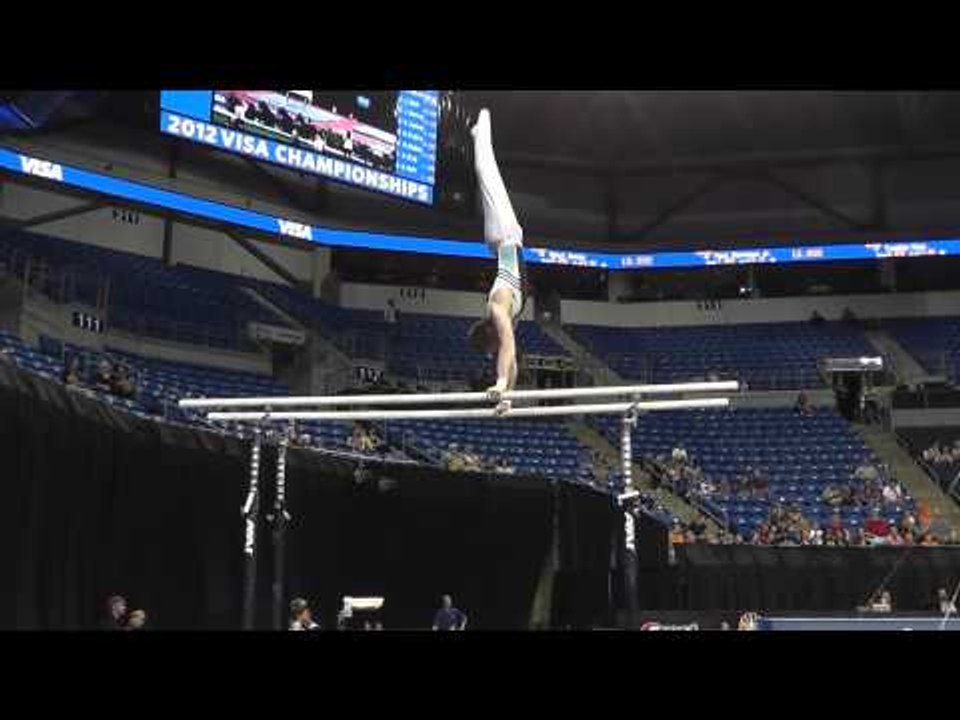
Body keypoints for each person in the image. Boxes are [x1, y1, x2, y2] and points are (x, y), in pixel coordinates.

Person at [466, 109, 526, 415]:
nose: (495, 351)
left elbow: (507, 350)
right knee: (486, 175)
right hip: (505, 241)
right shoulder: (506, 321)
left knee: (486, 172)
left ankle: (482, 124)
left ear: (488, 334)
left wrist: (501, 381)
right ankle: (480, 133)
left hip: (504, 237)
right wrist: (507, 397)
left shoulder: (496, 308)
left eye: (490, 348)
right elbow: (511, 356)